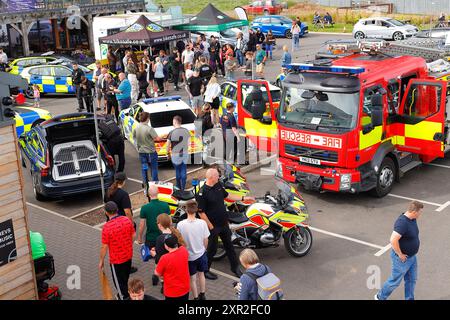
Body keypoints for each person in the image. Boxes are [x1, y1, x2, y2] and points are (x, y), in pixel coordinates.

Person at [196, 168, 254, 280]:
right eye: (217, 175)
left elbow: (228, 196)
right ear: (211, 177)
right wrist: (211, 227)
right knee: (212, 249)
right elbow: (201, 213)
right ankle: (205, 270)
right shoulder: (202, 193)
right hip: (213, 226)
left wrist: (244, 198)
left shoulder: (218, 185)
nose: (219, 177)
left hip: (223, 223)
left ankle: (235, 268)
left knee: (230, 247)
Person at [375, 201, 424, 301]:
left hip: (412, 257)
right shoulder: (402, 222)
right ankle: (380, 297)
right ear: (414, 212)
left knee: (411, 280)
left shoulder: (412, 219)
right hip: (402, 259)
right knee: (394, 281)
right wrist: (399, 254)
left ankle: (409, 299)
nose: (421, 214)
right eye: (420, 212)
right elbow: (393, 240)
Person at [99, 201, 135, 300]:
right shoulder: (127, 220)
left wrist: (101, 261)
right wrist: (128, 245)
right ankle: (125, 294)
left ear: (106, 212)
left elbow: (104, 247)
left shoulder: (106, 227)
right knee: (125, 279)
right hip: (128, 256)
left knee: (119, 283)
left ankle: (124, 297)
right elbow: (133, 235)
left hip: (117, 261)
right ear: (117, 210)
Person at [177, 201, 209, 300]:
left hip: (188, 256)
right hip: (201, 253)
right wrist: (204, 249)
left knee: (193, 278)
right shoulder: (202, 223)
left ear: (186, 210)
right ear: (196, 210)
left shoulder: (181, 224)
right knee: (201, 274)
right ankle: (202, 294)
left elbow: (180, 241)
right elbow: (206, 239)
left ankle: (195, 297)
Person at [132, 111, 163, 195]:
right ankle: (155, 187)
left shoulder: (136, 127)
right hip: (150, 152)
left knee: (144, 170)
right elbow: (157, 138)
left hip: (141, 152)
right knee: (154, 170)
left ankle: (146, 188)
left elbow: (134, 137)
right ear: (147, 119)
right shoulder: (149, 129)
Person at [154, 234, 190, 300]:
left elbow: (157, 273)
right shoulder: (184, 250)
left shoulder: (164, 258)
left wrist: (155, 256)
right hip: (185, 289)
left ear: (166, 246)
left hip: (171, 292)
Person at [138, 184, 170, 248]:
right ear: (158, 192)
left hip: (151, 238)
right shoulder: (165, 205)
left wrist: (139, 238)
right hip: (164, 237)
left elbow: (142, 226)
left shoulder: (144, 208)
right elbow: (170, 222)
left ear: (148, 195)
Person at [167, 115, 191, 191]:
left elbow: (168, 145)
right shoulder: (186, 131)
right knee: (183, 169)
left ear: (175, 122)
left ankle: (178, 186)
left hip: (175, 155)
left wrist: (168, 153)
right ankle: (183, 187)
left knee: (177, 170)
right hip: (184, 153)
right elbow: (189, 143)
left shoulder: (171, 132)